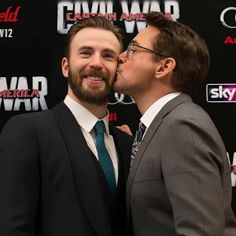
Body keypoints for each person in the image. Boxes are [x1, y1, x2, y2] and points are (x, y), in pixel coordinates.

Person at [0, 16, 133, 236]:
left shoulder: (127, 144)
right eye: (86, 52)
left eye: (108, 56)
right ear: (65, 66)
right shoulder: (27, 132)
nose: (97, 63)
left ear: (118, 69)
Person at [114, 11, 236, 236]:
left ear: (163, 67)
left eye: (133, 49)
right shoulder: (162, 128)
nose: (120, 56)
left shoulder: (183, 127)